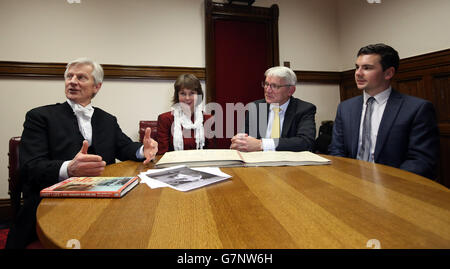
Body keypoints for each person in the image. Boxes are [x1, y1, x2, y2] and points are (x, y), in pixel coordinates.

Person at [6, 58, 158, 248]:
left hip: (104, 201)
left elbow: (125, 147)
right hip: (51, 203)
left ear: (97, 87)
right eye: (69, 76)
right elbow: (31, 167)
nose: (72, 81)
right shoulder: (39, 117)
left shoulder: (108, 120)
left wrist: (144, 149)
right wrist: (69, 168)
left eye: (81, 77)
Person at [328, 44, 439, 179]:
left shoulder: (417, 109)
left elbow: (421, 161)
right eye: (357, 67)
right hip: (352, 183)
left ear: (388, 73)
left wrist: (387, 186)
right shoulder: (345, 108)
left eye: (367, 68)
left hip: (396, 187)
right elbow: (336, 150)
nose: (358, 73)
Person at [230, 66, 316, 152]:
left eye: (274, 86)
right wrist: (239, 142)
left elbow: (306, 142)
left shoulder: (304, 109)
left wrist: (262, 144)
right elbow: (246, 137)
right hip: (258, 162)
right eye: (266, 84)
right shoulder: (256, 107)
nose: (268, 90)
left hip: (289, 163)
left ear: (290, 90)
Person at [156, 74, 214, 154]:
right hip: (174, 165)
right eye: (183, 93)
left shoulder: (209, 119)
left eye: (192, 93)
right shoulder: (165, 119)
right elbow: (162, 155)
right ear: (177, 96)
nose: (187, 98)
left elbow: (213, 153)